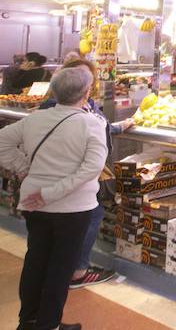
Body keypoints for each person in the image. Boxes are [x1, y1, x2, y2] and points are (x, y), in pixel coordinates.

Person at [0, 67, 108, 330]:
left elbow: (1, 141)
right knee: (60, 268)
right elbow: (91, 168)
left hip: (35, 206)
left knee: (36, 259)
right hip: (73, 209)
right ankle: (48, 324)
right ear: (86, 93)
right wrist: (50, 193)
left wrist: (23, 167)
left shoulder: (35, 119)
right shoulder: (91, 123)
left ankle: (28, 321)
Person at [39, 58, 134, 289]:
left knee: (85, 216)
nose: (84, 82)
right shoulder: (54, 107)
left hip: (78, 177)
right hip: (69, 175)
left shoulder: (87, 103)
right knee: (87, 216)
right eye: (79, 75)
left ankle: (61, 269)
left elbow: (100, 126)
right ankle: (77, 271)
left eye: (88, 78)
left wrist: (121, 126)